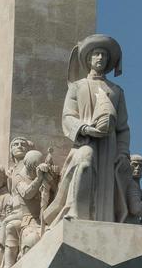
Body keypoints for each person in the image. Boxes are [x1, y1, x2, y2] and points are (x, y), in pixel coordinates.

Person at [44, 34, 131, 225]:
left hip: (109, 145)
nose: (100, 58)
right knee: (85, 161)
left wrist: (123, 152)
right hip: (85, 140)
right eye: (96, 54)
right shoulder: (77, 87)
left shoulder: (116, 90)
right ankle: (76, 210)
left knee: (106, 184)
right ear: (89, 59)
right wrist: (84, 128)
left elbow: (123, 127)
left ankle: (103, 220)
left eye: (104, 56)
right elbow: (68, 116)